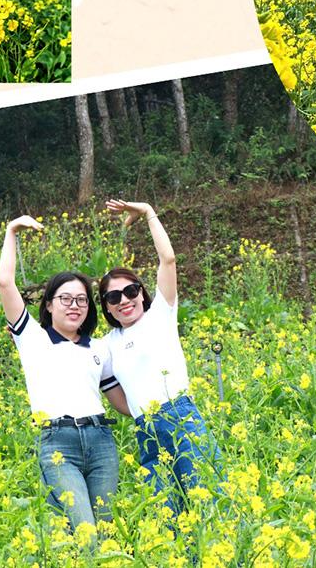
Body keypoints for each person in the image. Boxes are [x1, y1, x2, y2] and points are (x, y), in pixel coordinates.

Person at [0, 215, 129, 537]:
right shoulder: (33, 338)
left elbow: (121, 401)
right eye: (66, 299)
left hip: (101, 441)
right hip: (58, 443)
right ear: (49, 305)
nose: (75, 305)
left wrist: (161, 410)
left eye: (82, 300)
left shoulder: (100, 348)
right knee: (85, 531)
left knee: (108, 530)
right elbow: (5, 284)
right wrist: (11, 231)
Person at [97, 199, 216, 516]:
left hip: (180, 415)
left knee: (207, 498)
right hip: (145, 429)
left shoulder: (160, 314)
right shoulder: (107, 345)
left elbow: (168, 259)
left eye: (130, 291)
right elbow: (116, 397)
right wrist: (142, 410)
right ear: (106, 307)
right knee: (167, 512)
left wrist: (149, 212)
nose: (124, 300)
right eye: (113, 297)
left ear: (141, 292)